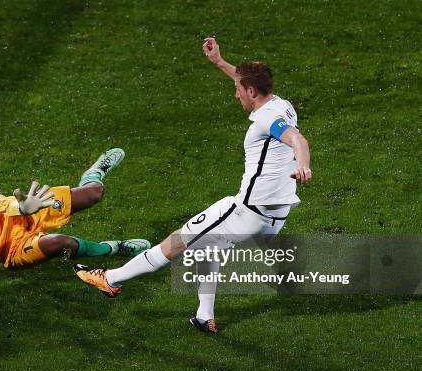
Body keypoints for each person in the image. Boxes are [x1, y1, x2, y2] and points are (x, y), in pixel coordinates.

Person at [74, 38, 312, 333]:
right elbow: (255, 93)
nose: (235, 95)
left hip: (246, 212)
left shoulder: (266, 120)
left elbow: (297, 139)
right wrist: (219, 62)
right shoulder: (281, 104)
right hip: (275, 217)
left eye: (239, 90)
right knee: (208, 248)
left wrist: (303, 164)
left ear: (251, 91)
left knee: (176, 242)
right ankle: (204, 316)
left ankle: (110, 279)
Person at [0, 148, 150, 293]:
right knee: (62, 244)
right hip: (14, 250)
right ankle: (114, 248)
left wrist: (22, 207)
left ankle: (93, 174)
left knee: (94, 193)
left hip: (28, 211)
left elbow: (1, 202)